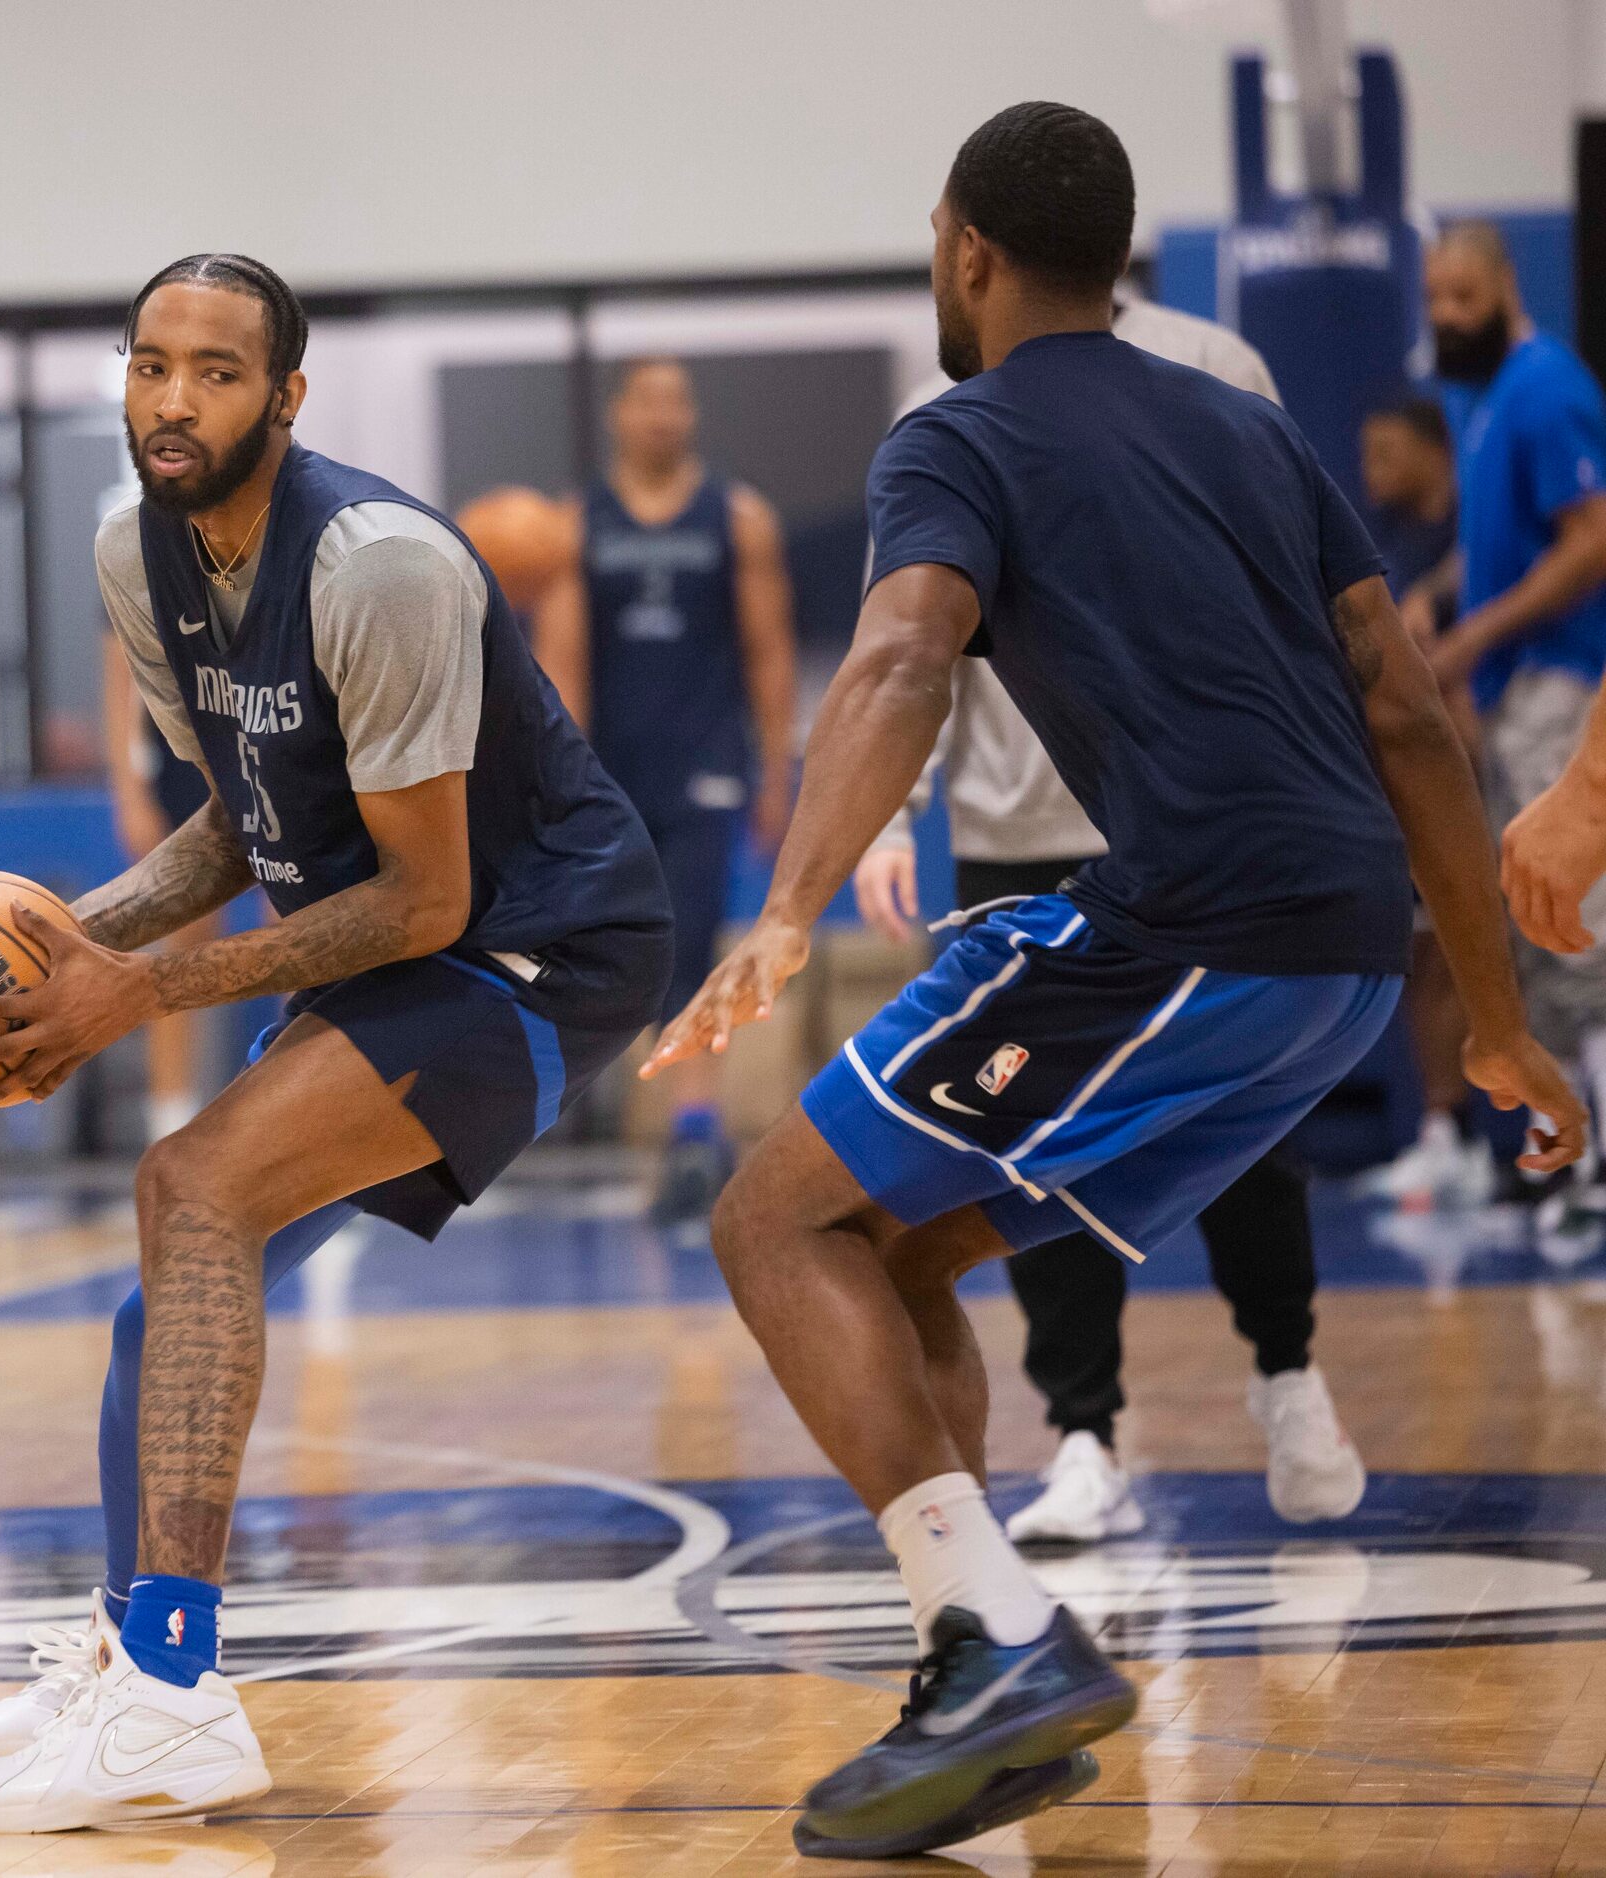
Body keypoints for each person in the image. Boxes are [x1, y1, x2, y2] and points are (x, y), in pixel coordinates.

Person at [653, 103, 1583, 1859]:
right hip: (1338, 969)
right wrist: (1502, 1018)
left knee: (768, 1221)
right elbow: (1408, 716)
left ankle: (1001, 1645)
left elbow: (905, 649)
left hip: (1196, 928)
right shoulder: (1250, 428)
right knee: (894, 1242)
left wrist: (782, 905)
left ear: (970, 253)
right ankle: (978, 1674)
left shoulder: (959, 434)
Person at [0, 254, 670, 1833]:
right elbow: (228, 828)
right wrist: (71, 940)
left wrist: (139, 993)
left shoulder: (376, 566)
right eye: (147, 366)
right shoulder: (144, 553)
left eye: (212, 371)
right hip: (407, 933)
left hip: (542, 942)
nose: (172, 400)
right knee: (171, 1282)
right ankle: (137, 1664)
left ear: (286, 395)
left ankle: (181, 1699)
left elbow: (427, 894)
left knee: (195, 1182)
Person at [849, 296, 1364, 1549]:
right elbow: (913, 648)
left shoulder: (1214, 370)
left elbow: (1294, 607)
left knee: (1248, 1131)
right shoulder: (946, 419)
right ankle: (1083, 1437)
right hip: (1020, 835)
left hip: (1193, 825)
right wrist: (887, 814)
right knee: (1016, 1144)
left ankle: (1288, 1377)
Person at [532, 359, 799, 1222]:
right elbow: (563, 661)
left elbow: (770, 650)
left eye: (676, 400)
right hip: (611, 769)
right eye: (646, 400)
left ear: (690, 415)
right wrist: (557, 777)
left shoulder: (740, 516)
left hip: (708, 763)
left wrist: (776, 770)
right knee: (613, 948)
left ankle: (695, 1128)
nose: (661, 416)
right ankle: (594, 1115)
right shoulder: (578, 524)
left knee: (694, 935)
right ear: (619, 414)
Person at [1422, 223, 1606, 1227]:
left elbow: (1589, 542)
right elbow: (1500, 542)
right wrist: (1433, 598)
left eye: (1461, 297)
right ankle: (1569, 1154)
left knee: (1577, 931)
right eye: (1432, 298)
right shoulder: (1477, 397)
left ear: (1502, 288)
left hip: (1565, 684)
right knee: (1536, 932)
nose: (1444, 317)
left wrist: (1474, 633)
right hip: (1508, 687)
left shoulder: (1545, 390)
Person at [1355, 394, 1495, 1207]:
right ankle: (1449, 1131)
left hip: (1479, 765)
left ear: (1431, 445)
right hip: (1409, 777)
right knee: (1421, 954)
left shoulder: (1475, 528)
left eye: (1384, 449)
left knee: (1467, 952)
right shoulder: (1393, 540)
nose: (1370, 468)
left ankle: (1505, 1137)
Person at [103, 635, 222, 1141]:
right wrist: (128, 790)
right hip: (184, 746)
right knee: (184, 940)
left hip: (269, 727)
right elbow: (119, 666)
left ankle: (311, 1125)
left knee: (302, 928)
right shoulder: (141, 556)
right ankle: (171, 1122)